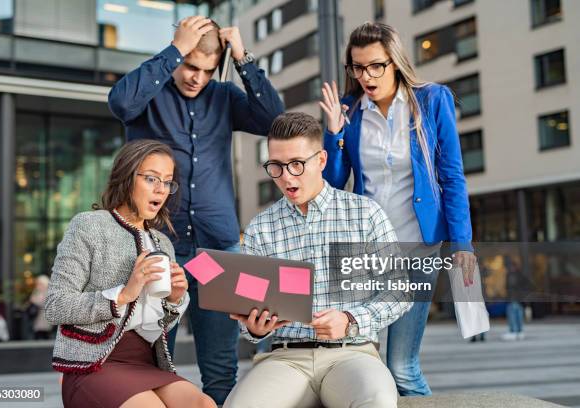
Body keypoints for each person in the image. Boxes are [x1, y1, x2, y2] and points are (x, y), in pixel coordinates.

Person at [108, 15, 284, 404]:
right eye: (190, 66)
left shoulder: (224, 97)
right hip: (158, 251)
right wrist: (174, 51)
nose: (197, 78)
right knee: (152, 364)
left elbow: (275, 120)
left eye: (206, 70)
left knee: (221, 369)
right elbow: (119, 102)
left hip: (216, 253)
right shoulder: (149, 95)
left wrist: (243, 57)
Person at [319, 22, 476, 396]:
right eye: (357, 67)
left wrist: (462, 243)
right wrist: (334, 133)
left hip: (418, 246)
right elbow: (334, 183)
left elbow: (452, 176)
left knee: (402, 367)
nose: (366, 76)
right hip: (365, 250)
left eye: (376, 66)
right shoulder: (351, 110)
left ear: (395, 61)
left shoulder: (431, 100)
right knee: (360, 361)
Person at [224, 112, 412, 408]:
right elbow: (248, 315)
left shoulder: (365, 214)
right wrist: (255, 328)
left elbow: (400, 291)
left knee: (377, 401)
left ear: (321, 161)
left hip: (352, 353)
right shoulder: (261, 227)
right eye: (276, 166)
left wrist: (350, 320)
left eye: (297, 164)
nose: (286, 176)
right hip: (284, 358)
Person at [44, 140, 215, 408]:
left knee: (204, 404)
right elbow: (56, 306)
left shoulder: (163, 243)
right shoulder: (88, 226)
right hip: (93, 362)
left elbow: (160, 326)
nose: (161, 189)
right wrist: (122, 294)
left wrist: (175, 300)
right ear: (126, 176)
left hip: (144, 362)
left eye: (168, 182)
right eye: (151, 179)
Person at [29, 275, 53, 340]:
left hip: (45, 316)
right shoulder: (36, 291)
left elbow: (44, 303)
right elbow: (31, 300)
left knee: (45, 333)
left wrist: (35, 301)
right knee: (37, 332)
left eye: (40, 284)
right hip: (37, 316)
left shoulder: (48, 292)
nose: (38, 285)